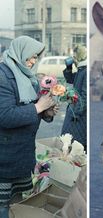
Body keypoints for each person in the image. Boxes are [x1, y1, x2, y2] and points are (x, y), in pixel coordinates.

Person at [0, 36, 57, 217]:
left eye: (36, 58)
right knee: (3, 206)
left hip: (22, 155)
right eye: (31, 57)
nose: (33, 62)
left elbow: (31, 109)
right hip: (5, 158)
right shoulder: (3, 76)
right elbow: (5, 116)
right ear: (20, 52)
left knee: (17, 204)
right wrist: (39, 106)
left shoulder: (27, 76)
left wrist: (46, 112)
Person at [61, 45, 87, 150]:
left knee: (76, 145)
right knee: (71, 144)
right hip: (75, 114)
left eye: (74, 56)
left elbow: (85, 97)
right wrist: (68, 68)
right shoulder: (81, 70)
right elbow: (70, 79)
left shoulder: (85, 71)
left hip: (78, 117)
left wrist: (75, 113)